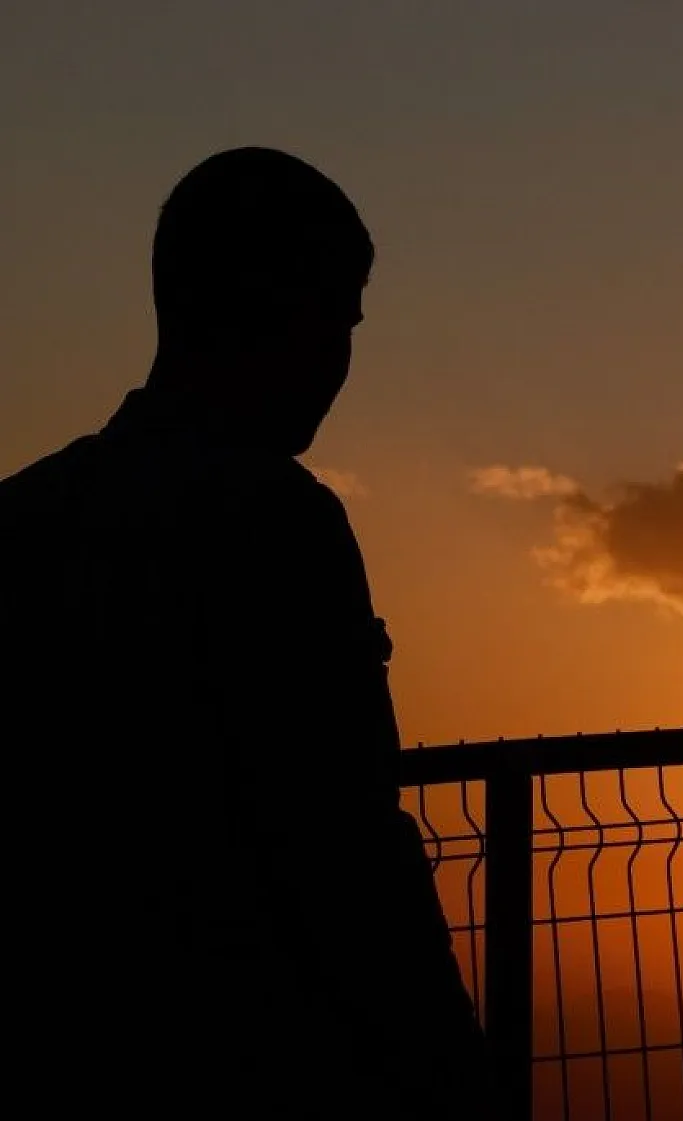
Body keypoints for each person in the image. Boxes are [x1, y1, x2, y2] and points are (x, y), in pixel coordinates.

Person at [0, 148, 488, 1119]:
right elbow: (346, 850)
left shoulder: (23, 518)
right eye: (337, 317)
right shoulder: (276, 519)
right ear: (272, 309)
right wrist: (456, 1075)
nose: (340, 357)